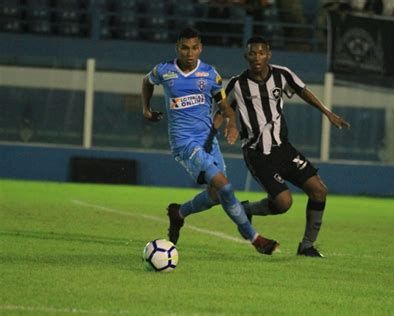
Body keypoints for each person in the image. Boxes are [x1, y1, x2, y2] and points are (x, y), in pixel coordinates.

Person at [141, 27, 279, 255]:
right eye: (185, 47)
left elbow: (224, 105)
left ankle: (179, 213)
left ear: (201, 48)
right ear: (178, 48)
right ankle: (255, 238)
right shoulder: (165, 70)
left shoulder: (209, 74)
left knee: (216, 195)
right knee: (224, 185)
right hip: (184, 143)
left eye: (194, 47)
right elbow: (147, 81)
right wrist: (146, 109)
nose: (189, 52)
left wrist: (232, 123)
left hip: (207, 141)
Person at [214, 36, 351, 258]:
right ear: (246, 56)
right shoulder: (237, 84)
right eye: (252, 53)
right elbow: (222, 111)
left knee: (319, 190)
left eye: (261, 53)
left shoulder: (282, 74)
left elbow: (303, 91)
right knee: (283, 203)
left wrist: (328, 113)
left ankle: (307, 245)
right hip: (257, 152)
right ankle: (247, 210)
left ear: (269, 54)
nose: (257, 57)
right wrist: (214, 134)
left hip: (283, 148)